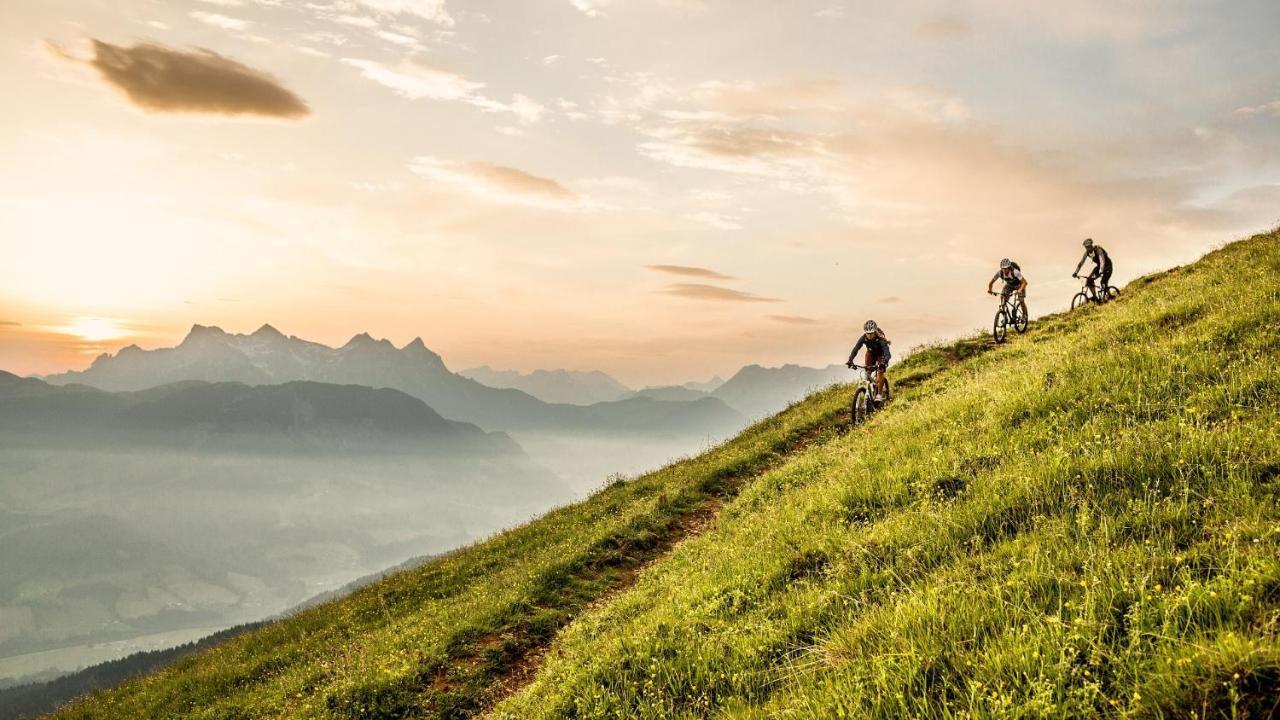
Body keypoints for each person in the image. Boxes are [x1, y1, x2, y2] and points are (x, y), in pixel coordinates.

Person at [847, 320, 891, 401]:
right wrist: (850, 360)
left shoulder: (880, 339)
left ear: (875, 332)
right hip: (871, 354)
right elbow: (856, 349)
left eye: (871, 333)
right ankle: (867, 393)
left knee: (880, 371)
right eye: (868, 333)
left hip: (881, 355)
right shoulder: (863, 338)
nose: (869, 335)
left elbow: (887, 353)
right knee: (867, 372)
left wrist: (883, 362)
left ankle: (879, 395)